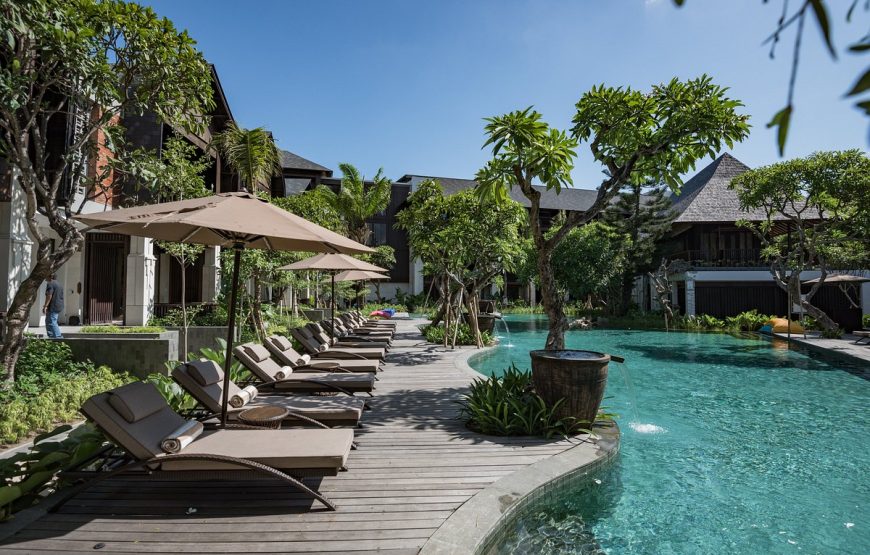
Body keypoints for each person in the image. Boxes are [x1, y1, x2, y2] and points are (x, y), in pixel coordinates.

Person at [43, 273, 64, 338]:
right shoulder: (59, 284)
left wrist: (45, 306)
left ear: (51, 276)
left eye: (46, 275)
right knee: (48, 321)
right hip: (58, 305)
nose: (45, 277)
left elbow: (49, 295)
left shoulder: (50, 284)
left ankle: (58, 338)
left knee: (52, 321)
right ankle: (51, 336)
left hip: (53, 305)